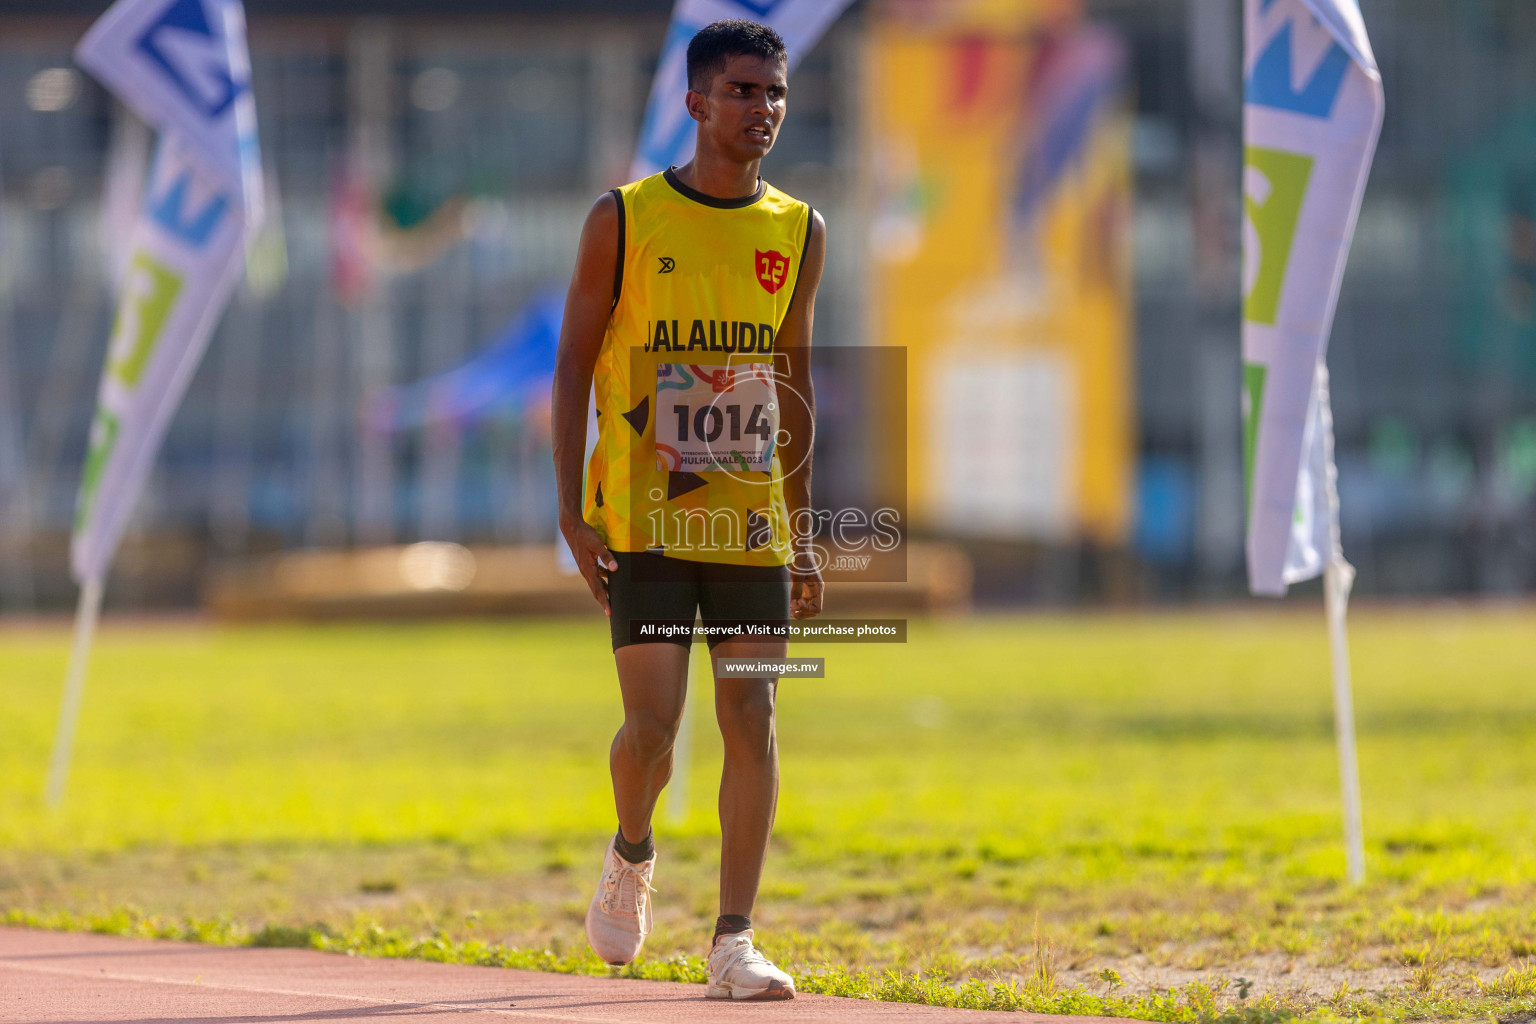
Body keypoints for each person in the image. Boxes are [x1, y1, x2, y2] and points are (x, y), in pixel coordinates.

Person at [550, 18, 825, 1003]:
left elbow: (790, 383)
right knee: (652, 730)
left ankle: (735, 939)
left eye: (776, 95)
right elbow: (573, 364)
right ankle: (632, 848)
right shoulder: (623, 220)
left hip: (747, 524)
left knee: (752, 711)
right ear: (697, 103)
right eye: (744, 92)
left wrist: (801, 529)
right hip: (643, 518)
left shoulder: (798, 230)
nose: (764, 111)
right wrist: (572, 518)